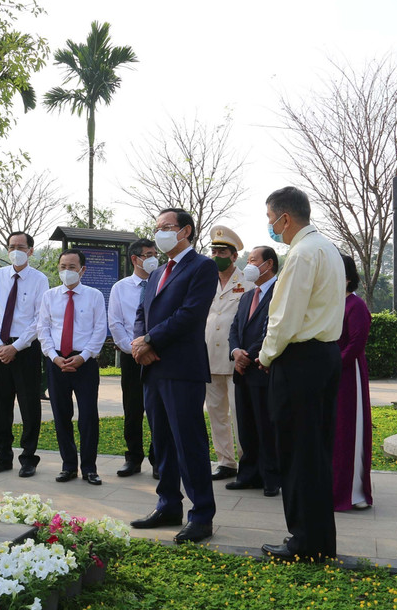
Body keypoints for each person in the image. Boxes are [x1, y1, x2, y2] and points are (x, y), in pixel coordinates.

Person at [257, 186, 345, 562]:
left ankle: (304, 541)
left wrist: (266, 355)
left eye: (270, 219)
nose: (270, 226)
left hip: (300, 359)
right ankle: (320, 539)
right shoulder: (327, 249)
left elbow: (285, 318)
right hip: (324, 356)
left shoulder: (302, 253)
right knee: (316, 451)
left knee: (296, 452)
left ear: (285, 218)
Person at [130, 208, 218, 544]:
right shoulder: (156, 273)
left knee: (188, 442)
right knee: (163, 442)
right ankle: (168, 505)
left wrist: (150, 341)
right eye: (157, 228)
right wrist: (141, 343)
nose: (160, 233)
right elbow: (142, 313)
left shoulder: (202, 266)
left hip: (182, 370)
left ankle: (202, 514)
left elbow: (190, 314)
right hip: (153, 368)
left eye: (167, 227)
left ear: (186, 231)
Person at [38, 249, 107, 485]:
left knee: (88, 416)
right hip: (56, 362)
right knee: (61, 415)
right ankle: (68, 466)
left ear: (82, 270)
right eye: (63, 267)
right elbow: (43, 329)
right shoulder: (49, 296)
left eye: (72, 267)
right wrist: (53, 357)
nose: (66, 271)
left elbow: (100, 329)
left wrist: (84, 356)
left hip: (84, 363)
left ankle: (89, 468)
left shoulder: (94, 296)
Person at [0, 231, 50, 478]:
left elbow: (39, 319)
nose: (16, 251)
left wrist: (16, 346)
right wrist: (1, 345)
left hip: (26, 349)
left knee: (29, 405)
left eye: (21, 247)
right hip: (1, 347)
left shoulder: (39, 279)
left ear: (31, 250)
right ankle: (2, 456)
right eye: (12, 246)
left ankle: (28, 458)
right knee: (0, 405)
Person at [227, 246, 280, 496]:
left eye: (253, 260)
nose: (248, 265)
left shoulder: (280, 292)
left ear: (268, 264)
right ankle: (248, 475)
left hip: (263, 368)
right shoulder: (248, 295)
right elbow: (235, 327)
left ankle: (271, 478)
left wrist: (248, 355)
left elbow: (272, 330)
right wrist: (235, 351)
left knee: (266, 425)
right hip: (242, 371)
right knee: (246, 425)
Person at [204, 225, 252, 481]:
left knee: (240, 413)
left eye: (222, 252)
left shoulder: (248, 283)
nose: (217, 256)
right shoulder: (205, 281)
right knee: (216, 413)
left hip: (236, 360)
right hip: (209, 358)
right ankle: (225, 462)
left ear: (234, 256)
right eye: (213, 251)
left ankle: (247, 461)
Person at [108, 238, 158, 478]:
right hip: (132, 356)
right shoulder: (120, 287)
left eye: (155, 254)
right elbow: (115, 323)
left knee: (159, 409)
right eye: (148, 254)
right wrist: (135, 349)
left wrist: (151, 346)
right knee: (132, 409)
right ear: (135, 259)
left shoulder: (163, 282)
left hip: (158, 354)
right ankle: (133, 458)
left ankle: (159, 459)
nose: (153, 259)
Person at [333, 255, 373, 510]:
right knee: (332, 434)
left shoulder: (356, 305)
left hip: (349, 374)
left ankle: (354, 492)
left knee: (350, 430)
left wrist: (335, 364)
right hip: (328, 374)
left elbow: (357, 343)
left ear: (347, 277)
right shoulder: (327, 303)